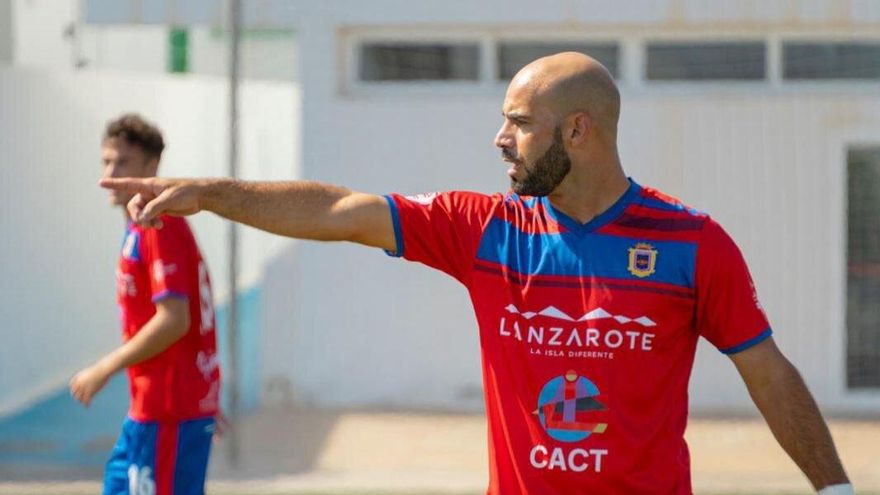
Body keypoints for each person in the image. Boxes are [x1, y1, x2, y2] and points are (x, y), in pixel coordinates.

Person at [100, 54, 852, 494]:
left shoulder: (691, 244)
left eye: (519, 123)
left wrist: (837, 488)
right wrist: (210, 194)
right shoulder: (485, 229)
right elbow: (340, 210)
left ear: (578, 132)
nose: (500, 139)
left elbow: (768, 372)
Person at [71, 114, 221, 495]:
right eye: (106, 161)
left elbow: (175, 320)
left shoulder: (159, 223)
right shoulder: (141, 223)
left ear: (151, 168)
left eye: (122, 163)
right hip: (157, 408)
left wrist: (104, 368)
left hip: (168, 410)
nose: (110, 172)